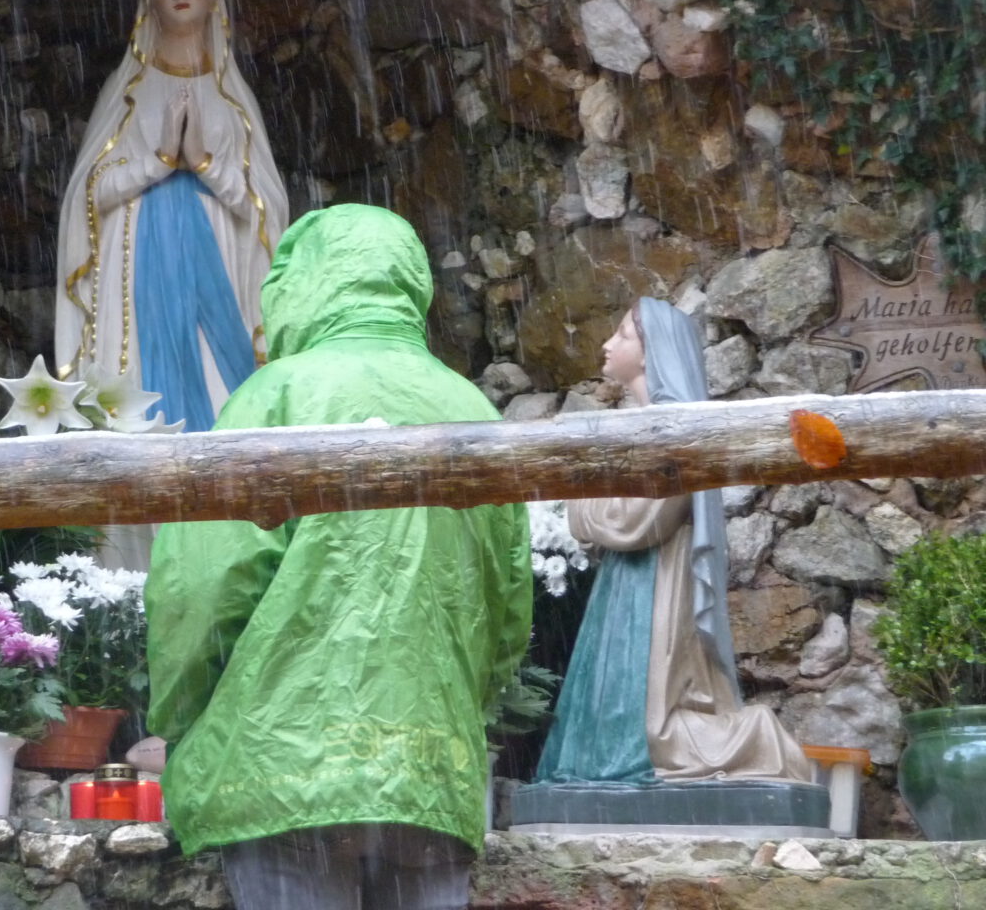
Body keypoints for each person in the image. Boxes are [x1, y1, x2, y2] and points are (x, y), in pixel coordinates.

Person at [144, 204, 533, 910]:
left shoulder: (273, 398)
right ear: (408, 284)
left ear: (304, 285)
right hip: (428, 767)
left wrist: (176, 716)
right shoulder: (470, 406)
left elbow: (202, 589)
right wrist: (459, 710)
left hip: (282, 762)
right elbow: (506, 605)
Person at [535, 297, 811, 785]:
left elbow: (639, 520)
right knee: (623, 697)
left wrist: (579, 502)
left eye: (621, 334)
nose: (606, 344)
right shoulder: (650, 422)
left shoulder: (674, 422)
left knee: (652, 711)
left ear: (650, 350)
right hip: (633, 578)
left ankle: (756, 740)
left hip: (658, 577)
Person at [54, 0, 288, 433]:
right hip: (138, 267)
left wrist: (205, 163)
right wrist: (155, 161)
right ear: (148, 1)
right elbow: (86, 198)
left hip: (221, 267)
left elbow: (266, 210)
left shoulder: (232, 100)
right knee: (147, 394)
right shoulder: (127, 93)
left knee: (228, 403)